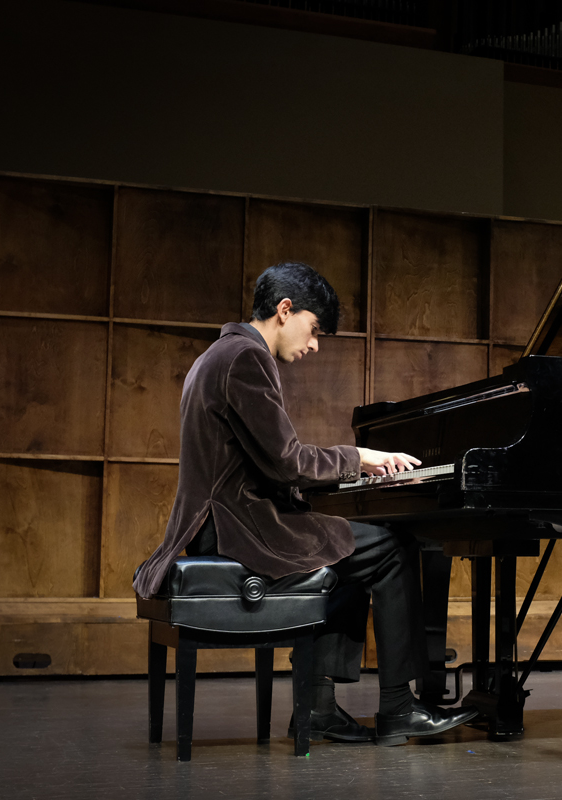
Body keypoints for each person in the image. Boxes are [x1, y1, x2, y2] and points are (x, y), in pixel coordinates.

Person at [133, 261, 476, 745]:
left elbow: (262, 461)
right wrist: (358, 458)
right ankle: (399, 708)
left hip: (221, 521)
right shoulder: (245, 360)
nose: (314, 345)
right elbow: (287, 462)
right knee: (390, 548)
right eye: (314, 330)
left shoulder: (220, 354)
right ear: (285, 310)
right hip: (236, 528)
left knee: (348, 556)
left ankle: (316, 708)